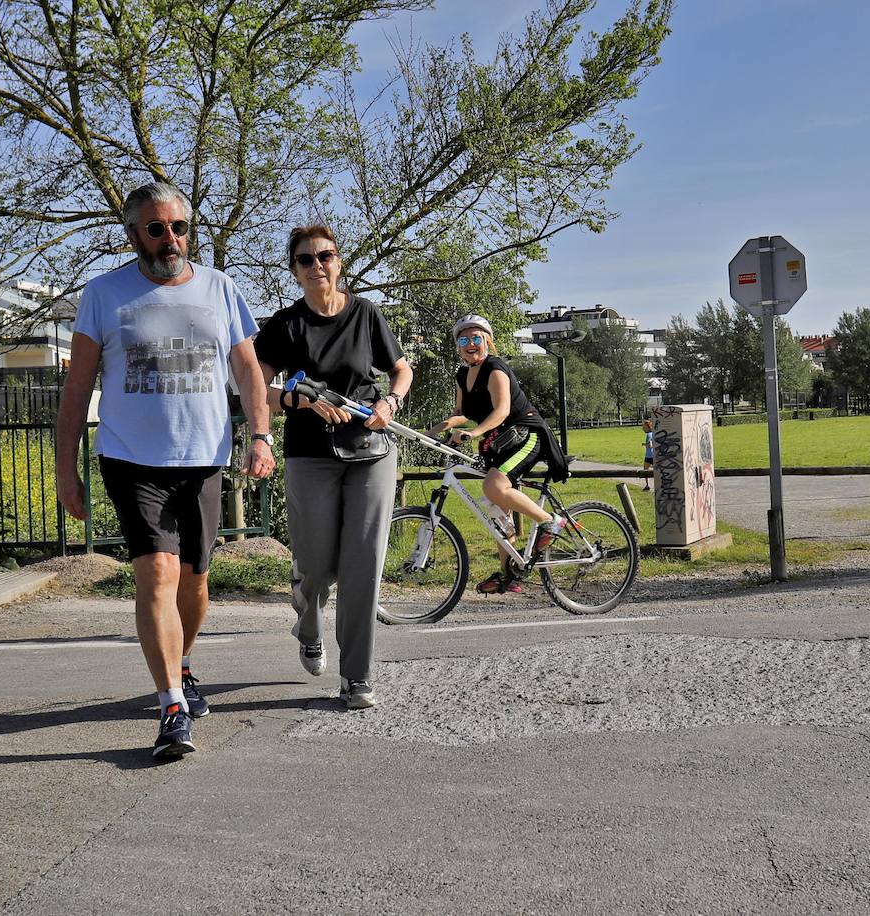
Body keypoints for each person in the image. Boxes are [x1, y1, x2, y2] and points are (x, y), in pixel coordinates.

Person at [56, 181, 274, 760]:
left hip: (204, 457)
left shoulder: (220, 288)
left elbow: (249, 371)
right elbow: (77, 389)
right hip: (130, 458)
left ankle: (180, 660)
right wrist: (65, 471)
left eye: (179, 227)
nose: (171, 238)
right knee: (156, 574)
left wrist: (259, 434)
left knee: (195, 584)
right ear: (132, 235)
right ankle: (172, 704)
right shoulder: (104, 295)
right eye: (157, 228)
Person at [253, 224, 412, 711]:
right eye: (306, 259)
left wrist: (392, 401)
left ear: (339, 262)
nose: (317, 264)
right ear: (295, 270)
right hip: (311, 458)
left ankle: (356, 676)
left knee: (364, 566)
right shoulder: (284, 325)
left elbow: (401, 368)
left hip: (371, 449)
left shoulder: (365, 313)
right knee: (318, 570)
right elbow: (256, 393)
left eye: (326, 255)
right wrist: (298, 398)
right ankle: (307, 617)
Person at [427, 314, 570, 595]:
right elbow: (462, 414)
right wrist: (437, 429)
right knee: (498, 510)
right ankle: (510, 574)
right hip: (498, 442)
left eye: (476, 338)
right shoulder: (462, 375)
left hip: (525, 435)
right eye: (464, 339)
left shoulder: (495, 368)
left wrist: (474, 433)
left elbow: (502, 411)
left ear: (487, 342)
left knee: (493, 486)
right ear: (458, 346)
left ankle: (550, 522)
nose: (470, 344)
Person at [642, 419, 654, 491]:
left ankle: (647, 486)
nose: (642, 428)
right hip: (654, 455)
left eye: (644, 427)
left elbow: (650, 445)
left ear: (647, 427)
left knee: (645, 471)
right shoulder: (653, 433)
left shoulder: (648, 435)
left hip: (648, 456)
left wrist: (644, 444)